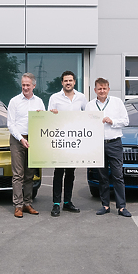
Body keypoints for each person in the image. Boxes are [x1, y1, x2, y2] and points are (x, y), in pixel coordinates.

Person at [86, 77, 131, 217]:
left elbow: (126, 121)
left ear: (108, 89)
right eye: (99, 88)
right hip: (98, 144)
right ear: (95, 90)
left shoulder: (117, 102)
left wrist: (113, 121)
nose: (102, 91)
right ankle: (105, 205)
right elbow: (85, 123)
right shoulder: (89, 105)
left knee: (118, 175)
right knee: (103, 177)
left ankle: (122, 207)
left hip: (114, 143)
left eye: (104, 88)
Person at [48, 70, 88, 216]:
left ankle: (67, 202)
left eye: (70, 80)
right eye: (66, 80)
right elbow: (48, 118)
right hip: (60, 140)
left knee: (71, 172)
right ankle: (56, 203)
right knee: (58, 172)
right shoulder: (55, 98)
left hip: (74, 140)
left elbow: (87, 115)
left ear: (74, 82)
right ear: (62, 82)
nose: (68, 83)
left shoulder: (81, 98)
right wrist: (52, 114)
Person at [7, 73, 45, 218]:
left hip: (34, 139)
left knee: (30, 174)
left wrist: (43, 115)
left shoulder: (39, 102)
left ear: (34, 86)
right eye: (23, 85)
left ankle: (27, 203)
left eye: (28, 85)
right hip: (18, 139)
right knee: (18, 175)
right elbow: (10, 124)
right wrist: (21, 138)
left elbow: (44, 121)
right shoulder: (14, 101)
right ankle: (18, 205)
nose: (25, 87)